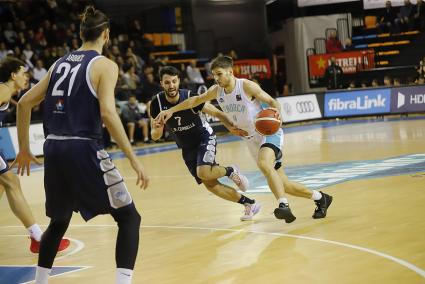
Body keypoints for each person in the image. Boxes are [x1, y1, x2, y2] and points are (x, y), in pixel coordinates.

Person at [13, 6, 149, 284]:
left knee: (60, 220)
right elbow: (109, 113)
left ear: (81, 33)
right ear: (107, 35)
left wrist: (24, 149)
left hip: (53, 148)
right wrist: (133, 158)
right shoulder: (106, 65)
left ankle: (40, 282)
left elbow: (25, 102)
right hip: (83, 147)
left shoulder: (58, 63)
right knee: (129, 218)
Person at [156, 56, 333, 223]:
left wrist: (277, 110)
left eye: (219, 74)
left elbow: (272, 101)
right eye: (214, 75)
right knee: (283, 183)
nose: (216, 78)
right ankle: (321, 198)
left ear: (230, 72)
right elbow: (193, 101)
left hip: (268, 132)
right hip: (250, 139)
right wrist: (171, 111)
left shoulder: (246, 86)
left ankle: (283, 205)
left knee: (265, 164)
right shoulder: (216, 91)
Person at [150, 66, 260, 221]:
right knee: (211, 185)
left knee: (203, 173)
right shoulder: (156, 103)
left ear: (179, 80)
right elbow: (155, 136)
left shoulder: (189, 96)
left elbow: (218, 113)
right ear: (161, 83)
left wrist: (231, 128)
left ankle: (230, 170)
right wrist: (156, 129)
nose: (171, 85)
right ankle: (249, 204)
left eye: (174, 81)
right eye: (167, 82)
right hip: (186, 147)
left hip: (204, 137)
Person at [0, 57, 70, 254]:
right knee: (11, 182)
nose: (26, 77)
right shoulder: (4, 89)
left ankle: (37, 237)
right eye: (23, 73)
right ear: (13, 75)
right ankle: (39, 238)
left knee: (5, 185)